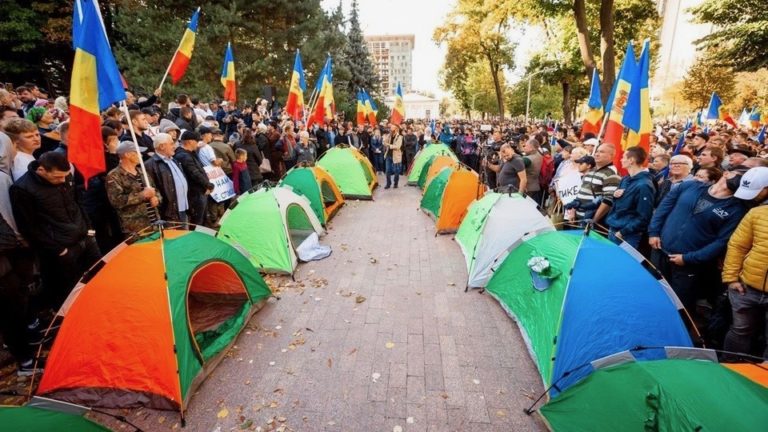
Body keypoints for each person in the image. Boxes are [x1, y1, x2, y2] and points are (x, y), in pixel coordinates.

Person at [10, 152, 101, 309]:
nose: (62, 181)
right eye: (57, 177)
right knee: (71, 291)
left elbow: (77, 203)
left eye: (65, 176)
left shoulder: (66, 177)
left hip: (85, 238)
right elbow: (29, 227)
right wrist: (59, 250)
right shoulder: (22, 189)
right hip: (61, 250)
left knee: (99, 274)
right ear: (41, 170)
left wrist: (89, 228)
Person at [647, 169, 747, 312]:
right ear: (726, 173)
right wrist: (654, 232)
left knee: (678, 305)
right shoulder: (690, 186)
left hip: (687, 264)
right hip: (659, 251)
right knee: (652, 291)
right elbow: (664, 208)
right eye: (740, 176)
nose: (741, 180)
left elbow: (722, 241)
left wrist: (689, 258)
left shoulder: (736, 209)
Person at [722, 167, 768, 359]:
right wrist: (731, 278)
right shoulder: (757, 213)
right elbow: (737, 245)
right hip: (746, 288)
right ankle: (730, 370)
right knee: (739, 331)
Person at [604, 146, 655, 248]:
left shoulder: (644, 185)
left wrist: (623, 232)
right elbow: (619, 204)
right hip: (614, 227)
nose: (621, 159)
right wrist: (615, 195)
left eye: (623, 157)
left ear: (631, 160)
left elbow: (644, 216)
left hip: (627, 234)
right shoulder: (626, 179)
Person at [106, 141, 160, 235]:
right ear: (128, 154)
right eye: (137, 152)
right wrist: (142, 195)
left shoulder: (142, 171)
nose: (141, 155)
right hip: (135, 229)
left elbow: (155, 190)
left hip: (155, 223)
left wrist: (157, 198)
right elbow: (116, 201)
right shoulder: (114, 176)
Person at [566, 144, 620, 224]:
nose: (597, 154)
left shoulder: (611, 175)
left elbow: (608, 201)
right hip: (577, 218)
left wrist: (594, 220)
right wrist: (573, 211)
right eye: (597, 151)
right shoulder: (591, 171)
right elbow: (581, 192)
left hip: (589, 221)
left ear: (611, 156)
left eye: (601, 152)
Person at [144, 133, 189, 224]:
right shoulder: (150, 164)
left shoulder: (174, 160)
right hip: (169, 213)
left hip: (183, 208)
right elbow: (153, 188)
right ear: (162, 146)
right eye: (171, 143)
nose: (174, 146)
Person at [174, 131, 214, 226]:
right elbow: (195, 173)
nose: (198, 144)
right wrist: (208, 185)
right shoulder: (184, 156)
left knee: (201, 218)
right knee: (197, 221)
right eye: (196, 141)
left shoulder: (187, 153)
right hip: (195, 192)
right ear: (190, 142)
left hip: (198, 191)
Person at [522, 139, 543, 204]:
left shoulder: (528, 159)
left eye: (526, 146)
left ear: (531, 148)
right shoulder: (538, 154)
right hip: (535, 186)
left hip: (528, 188)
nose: (524, 147)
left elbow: (516, 163)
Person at [383, 123, 403, 189]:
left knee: (396, 171)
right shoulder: (389, 135)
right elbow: (384, 142)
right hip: (388, 155)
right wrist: (385, 138)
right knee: (387, 170)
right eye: (390, 127)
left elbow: (397, 146)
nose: (391, 128)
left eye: (392, 127)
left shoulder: (400, 137)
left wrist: (389, 145)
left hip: (396, 156)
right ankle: (388, 184)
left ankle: (395, 183)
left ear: (396, 129)